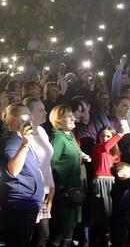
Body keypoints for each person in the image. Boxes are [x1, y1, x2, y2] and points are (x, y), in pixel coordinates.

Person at [0, 103, 45, 247]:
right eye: (23, 115)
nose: (28, 118)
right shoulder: (10, 139)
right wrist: (25, 144)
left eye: (29, 114)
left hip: (28, 199)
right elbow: (13, 169)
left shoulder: (20, 138)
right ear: (12, 118)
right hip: (19, 200)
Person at [49, 104, 89, 247]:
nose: (73, 118)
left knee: (70, 229)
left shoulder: (69, 135)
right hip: (63, 193)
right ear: (58, 120)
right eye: (68, 116)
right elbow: (50, 165)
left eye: (73, 115)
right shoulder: (58, 138)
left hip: (74, 191)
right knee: (61, 229)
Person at [22, 97, 55, 247]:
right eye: (40, 110)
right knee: (29, 236)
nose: (45, 112)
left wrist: (51, 187)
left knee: (43, 235)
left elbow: (47, 163)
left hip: (45, 189)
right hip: (31, 191)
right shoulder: (23, 135)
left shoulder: (42, 131)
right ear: (29, 113)